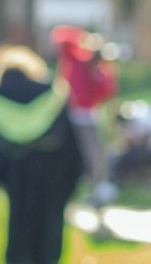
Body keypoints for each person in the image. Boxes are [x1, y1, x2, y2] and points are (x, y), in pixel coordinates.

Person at [0, 46, 84, 264]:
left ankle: (17, 258)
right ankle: (47, 258)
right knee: (49, 212)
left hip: (15, 166)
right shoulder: (52, 94)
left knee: (18, 211)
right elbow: (70, 139)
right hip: (51, 165)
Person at [50, 25, 118, 206]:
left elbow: (106, 94)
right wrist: (86, 40)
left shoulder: (101, 73)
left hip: (89, 118)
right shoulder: (76, 61)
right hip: (70, 116)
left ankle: (97, 189)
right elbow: (59, 37)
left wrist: (100, 73)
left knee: (95, 155)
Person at [110, 100, 151, 184]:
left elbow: (141, 139)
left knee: (123, 158)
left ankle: (117, 183)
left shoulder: (138, 117)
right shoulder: (144, 110)